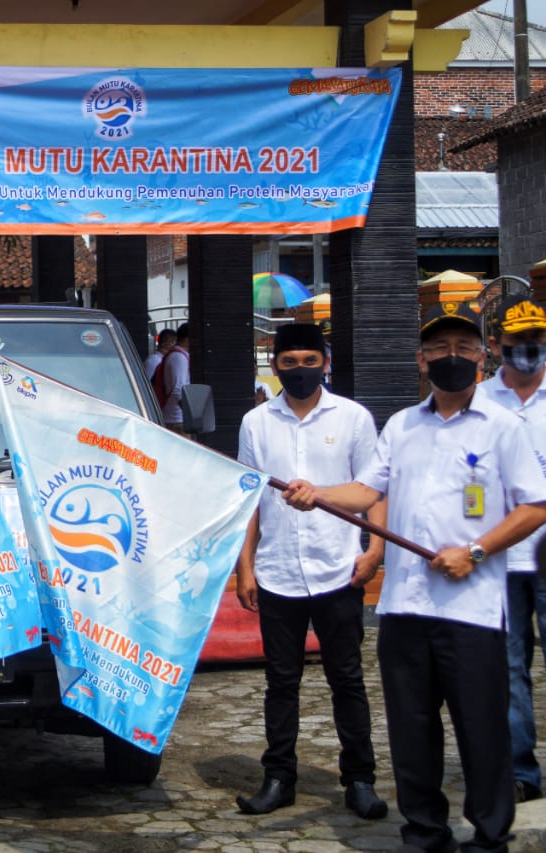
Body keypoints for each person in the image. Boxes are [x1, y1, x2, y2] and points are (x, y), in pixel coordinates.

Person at [283, 303, 546, 853]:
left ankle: (489, 835)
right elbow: (366, 492)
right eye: (439, 350)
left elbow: (535, 507)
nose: (451, 358)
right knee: (411, 728)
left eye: (463, 349)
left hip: (471, 608)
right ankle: (424, 831)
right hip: (403, 607)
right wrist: (319, 493)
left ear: (481, 357)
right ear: (420, 360)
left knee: (482, 729)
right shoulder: (402, 425)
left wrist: (474, 551)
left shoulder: (503, 428)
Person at [234, 323, 388, 820]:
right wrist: (246, 568)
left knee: (347, 679)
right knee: (281, 682)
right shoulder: (256, 423)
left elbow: (374, 489)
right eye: (288, 362)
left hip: (338, 570)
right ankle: (279, 777)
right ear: (274, 363)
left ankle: (359, 780)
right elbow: (249, 501)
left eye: (309, 361)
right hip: (277, 571)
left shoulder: (354, 419)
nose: (299, 371)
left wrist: (375, 550)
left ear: (325, 361)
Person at [481, 298, 546, 804]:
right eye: (516, 344)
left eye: (536, 341)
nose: (526, 352)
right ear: (495, 346)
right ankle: (521, 769)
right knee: (508, 666)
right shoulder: (478, 402)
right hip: (499, 554)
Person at [155, 323, 190, 430]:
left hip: (176, 417)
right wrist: (190, 413)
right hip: (177, 419)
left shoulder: (177, 355)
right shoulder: (178, 357)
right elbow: (178, 389)